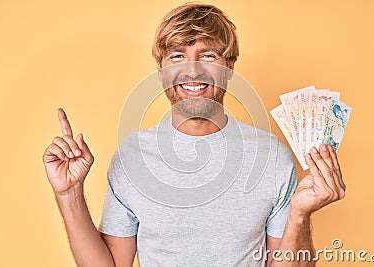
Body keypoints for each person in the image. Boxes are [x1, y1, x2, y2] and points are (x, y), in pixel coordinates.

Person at [42, 3, 345, 267]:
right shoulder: (131, 158)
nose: (192, 70)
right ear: (160, 70)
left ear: (229, 67)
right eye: (177, 56)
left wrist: (300, 215)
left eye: (208, 55)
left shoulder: (272, 157)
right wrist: (68, 195)